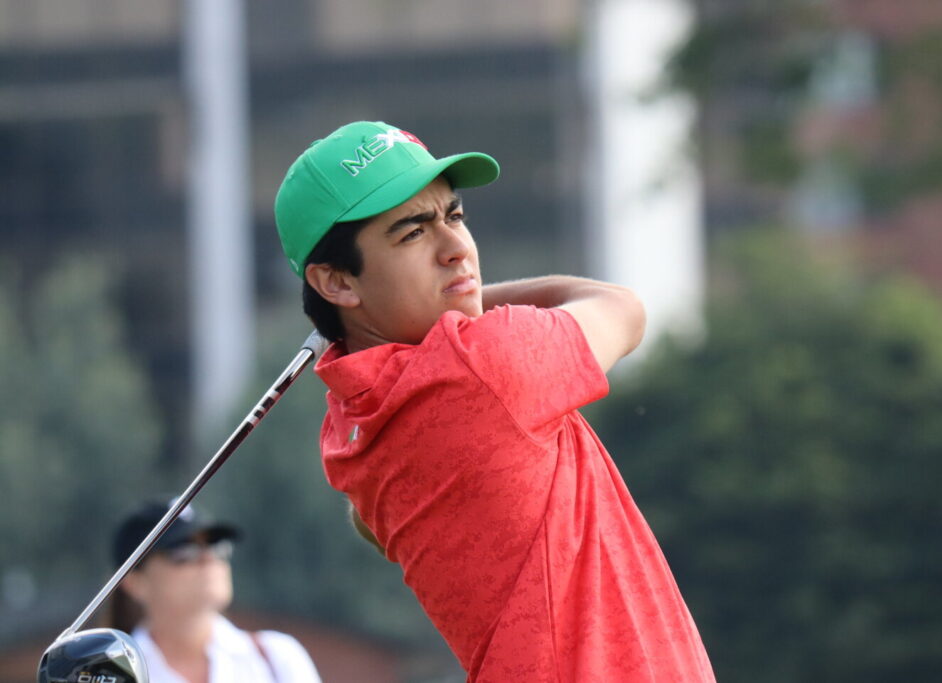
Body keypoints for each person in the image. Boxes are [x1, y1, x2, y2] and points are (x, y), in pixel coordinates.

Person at [274, 120, 716, 681]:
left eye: (453, 217)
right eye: (412, 233)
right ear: (336, 282)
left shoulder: (348, 428)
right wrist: (470, 302)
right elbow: (622, 309)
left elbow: (368, 523)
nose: (456, 248)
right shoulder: (486, 365)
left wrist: (455, 303)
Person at [109, 498, 322, 683]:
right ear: (135, 582)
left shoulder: (278, 657)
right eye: (184, 552)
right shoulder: (110, 675)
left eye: (216, 546)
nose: (208, 559)